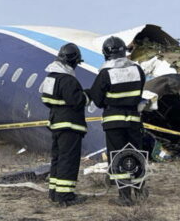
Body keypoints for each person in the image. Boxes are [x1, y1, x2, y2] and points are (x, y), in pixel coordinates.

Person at [88, 36, 147, 206]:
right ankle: (140, 190)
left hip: (114, 123)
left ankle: (125, 197)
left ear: (106, 54)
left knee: (118, 157)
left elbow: (97, 100)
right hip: (134, 121)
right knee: (136, 154)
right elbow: (139, 93)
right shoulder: (137, 70)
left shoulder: (105, 73)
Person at [41, 43, 88, 207]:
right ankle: (65, 196)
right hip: (70, 126)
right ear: (74, 61)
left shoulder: (50, 77)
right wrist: (87, 95)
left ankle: (54, 193)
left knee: (58, 158)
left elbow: (45, 100)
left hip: (56, 123)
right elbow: (77, 101)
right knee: (69, 160)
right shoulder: (68, 80)